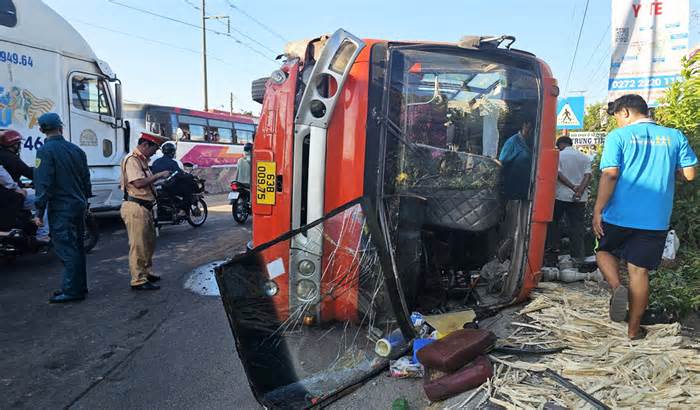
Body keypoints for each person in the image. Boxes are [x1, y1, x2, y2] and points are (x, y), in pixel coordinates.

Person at [593, 94, 697, 340]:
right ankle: (633, 330)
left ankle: (618, 287)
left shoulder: (619, 137)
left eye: (617, 116)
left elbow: (610, 175)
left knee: (603, 251)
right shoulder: (674, 136)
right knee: (639, 272)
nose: (617, 122)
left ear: (626, 112)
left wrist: (598, 209)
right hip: (655, 219)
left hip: (618, 215)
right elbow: (690, 174)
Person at [33, 113, 92, 303]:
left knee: (66, 248)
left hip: (61, 208)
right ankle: (78, 286)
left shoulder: (45, 151)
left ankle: (72, 291)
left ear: (42, 130)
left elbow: (43, 183)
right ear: (61, 127)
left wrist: (38, 212)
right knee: (77, 247)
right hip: (78, 205)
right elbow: (86, 180)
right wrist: (86, 202)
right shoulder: (76, 150)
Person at [121, 131, 171, 291]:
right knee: (138, 245)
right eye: (154, 149)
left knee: (148, 243)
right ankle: (138, 280)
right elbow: (138, 183)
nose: (155, 153)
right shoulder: (132, 160)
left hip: (145, 207)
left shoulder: (142, 161)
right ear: (144, 145)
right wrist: (158, 176)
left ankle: (146, 272)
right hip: (136, 207)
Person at [546, 136, 592, 264]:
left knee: (554, 224)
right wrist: (579, 191)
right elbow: (588, 176)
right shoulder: (584, 157)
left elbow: (558, 174)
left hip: (561, 197)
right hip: (579, 199)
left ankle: (552, 255)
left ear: (560, 144)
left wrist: (572, 187)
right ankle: (578, 258)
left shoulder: (559, 156)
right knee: (577, 227)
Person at [0, 130, 50, 241]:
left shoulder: (3, 155)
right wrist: (44, 174)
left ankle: (29, 224)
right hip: (9, 196)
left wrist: (24, 184)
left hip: (6, 194)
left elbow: (10, 175)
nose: (19, 146)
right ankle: (43, 236)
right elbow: (28, 172)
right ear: (13, 145)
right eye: (18, 144)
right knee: (44, 202)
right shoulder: (11, 158)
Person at [499, 121, 533, 200]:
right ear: (523, 125)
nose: (530, 131)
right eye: (529, 127)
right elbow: (502, 161)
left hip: (524, 187)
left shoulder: (529, 142)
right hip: (513, 185)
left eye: (532, 129)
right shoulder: (512, 141)